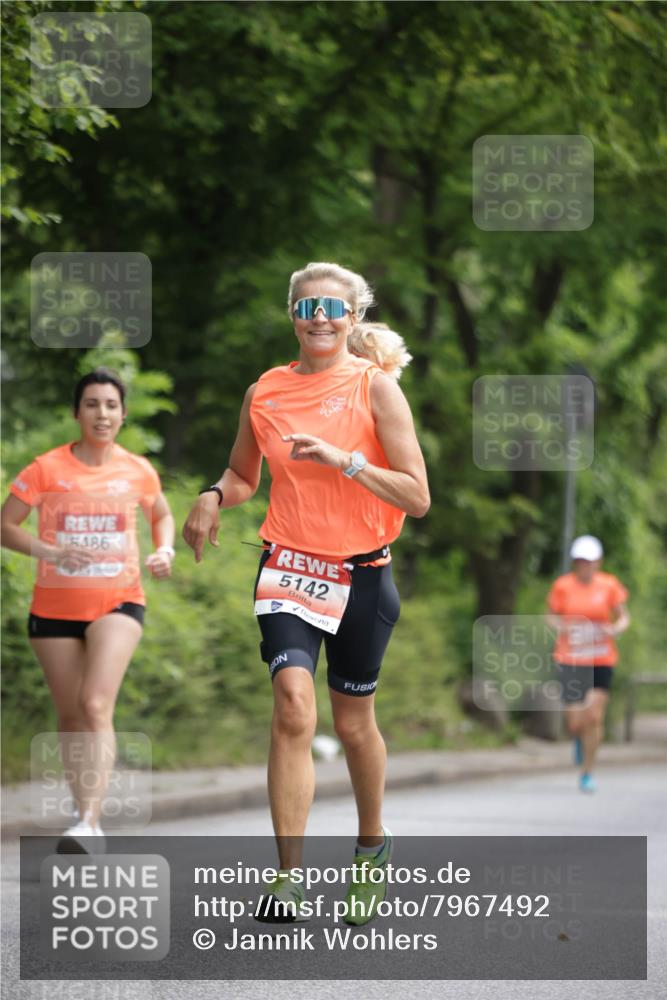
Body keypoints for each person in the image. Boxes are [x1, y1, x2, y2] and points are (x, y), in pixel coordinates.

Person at [183, 262, 429, 923]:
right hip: (288, 566)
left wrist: (345, 459)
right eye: (307, 304)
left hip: (362, 575)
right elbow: (242, 472)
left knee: (352, 725)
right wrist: (212, 495)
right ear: (291, 314)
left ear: (352, 318)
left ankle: (370, 849)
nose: (319, 315)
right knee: (293, 707)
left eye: (333, 306)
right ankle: (287, 877)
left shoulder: (375, 389)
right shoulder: (263, 390)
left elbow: (417, 495)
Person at [1, 368, 175, 850]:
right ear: (77, 412)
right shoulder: (45, 469)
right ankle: (85, 817)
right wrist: (50, 553)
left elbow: (160, 512)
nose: (103, 413)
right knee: (71, 714)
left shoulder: (137, 469)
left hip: (119, 601)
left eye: (112, 405)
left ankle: (90, 822)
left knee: (96, 703)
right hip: (54, 608)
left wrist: (165, 550)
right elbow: (6, 525)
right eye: (93, 404)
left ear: (122, 413)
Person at [546, 535, 630, 793]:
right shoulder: (563, 586)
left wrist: (615, 629)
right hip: (571, 658)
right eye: (581, 561)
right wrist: (564, 627)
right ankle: (580, 739)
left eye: (590, 561)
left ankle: (587, 773)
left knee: (594, 716)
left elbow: (624, 617)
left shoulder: (609, 585)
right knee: (575, 721)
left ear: (598, 562)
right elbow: (550, 617)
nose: (585, 566)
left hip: (601, 658)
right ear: (575, 562)